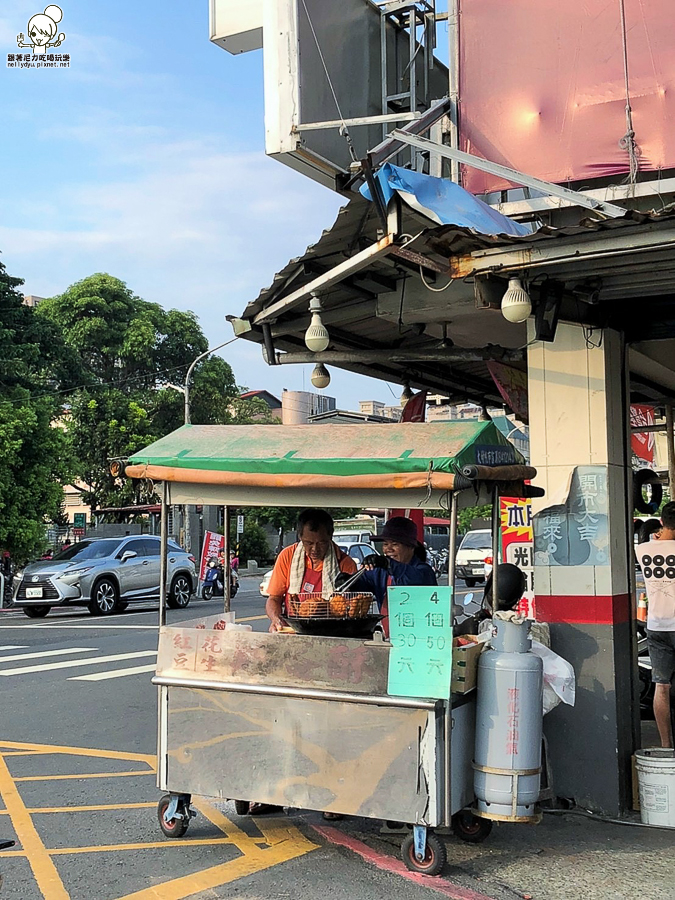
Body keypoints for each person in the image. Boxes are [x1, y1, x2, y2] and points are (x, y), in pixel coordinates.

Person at [266, 508, 357, 630]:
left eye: (321, 543)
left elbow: (351, 608)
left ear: (331, 536)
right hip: (293, 629)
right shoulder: (287, 556)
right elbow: (274, 598)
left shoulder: (346, 564)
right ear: (300, 537)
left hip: (332, 630)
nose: (314, 549)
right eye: (308, 543)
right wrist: (276, 619)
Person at [358, 516, 437, 637]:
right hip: (389, 637)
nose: (388, 549)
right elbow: (361, 583)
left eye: (395, 544)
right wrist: (347, 579)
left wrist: (388, 563)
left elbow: (412, 578)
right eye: (385, 544)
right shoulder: (380, 572)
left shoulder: (424, 571)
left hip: (420, 638)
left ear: (411, 547)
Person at [637, 502, 675, 748]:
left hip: (657, 625)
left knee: (661, 686)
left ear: (661, 522)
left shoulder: (643, 550)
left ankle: (665, 745)